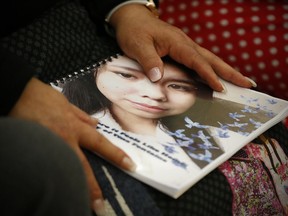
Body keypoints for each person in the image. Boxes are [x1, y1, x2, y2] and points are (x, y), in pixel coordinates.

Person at [0, 0, 258, 215]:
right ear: (94, 77)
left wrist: (128, 9)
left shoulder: (209, 133)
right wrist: (13, 87)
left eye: (180, 86)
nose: (153, 93)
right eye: (126, 76)